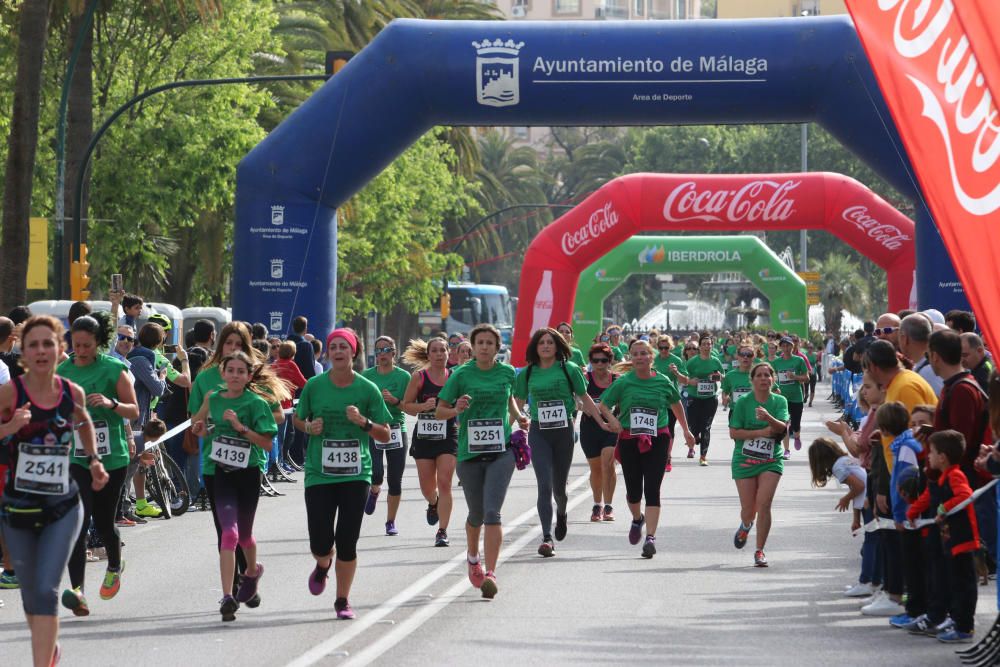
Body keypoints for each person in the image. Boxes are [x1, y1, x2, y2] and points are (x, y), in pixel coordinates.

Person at [0, 316, 109, 667]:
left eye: (49, 343)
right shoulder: (9, 392)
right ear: (23, 352)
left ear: (60, 349)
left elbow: (83, 421)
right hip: (18, 507)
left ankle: (40, 660)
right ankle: (49, 649)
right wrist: (10, 426)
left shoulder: (70, 392)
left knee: (46, 591)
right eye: (33, 344)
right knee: (32, 592)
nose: (42, 350)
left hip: (63, 505)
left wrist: (93, 460)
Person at [294, 328, 393, 619]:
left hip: (356, 474)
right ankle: (323, 564)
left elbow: (385, 434)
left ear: (354, 352)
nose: (338, 351)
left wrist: (364, 422)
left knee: (347, 541)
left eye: (344, 347)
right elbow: (299, 420)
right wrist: (309, 428)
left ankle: (342, 600)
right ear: (327, 352)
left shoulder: (367, 389)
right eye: (333, 347)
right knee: (320, 544)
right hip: (319, 474)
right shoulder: (314, 385)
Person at [437, 324, 528, 598]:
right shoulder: (461, 375)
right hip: (469, 454)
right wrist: (456, 409)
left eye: (490, 343)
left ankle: (491, 572)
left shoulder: (507, 373)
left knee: (492, 512)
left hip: (501, 451)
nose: (485, 347)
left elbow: (510, 398)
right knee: (476, 514)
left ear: (497, 347)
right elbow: (440, 412)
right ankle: (473, 556)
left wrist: (519, 416)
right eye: (481, 343)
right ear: (473, 348)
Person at [56, 314, 139, 615]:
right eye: (76, 345)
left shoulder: (115, 368)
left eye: (87, 345)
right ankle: (78, 591)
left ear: (98, 343)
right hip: (77, 458)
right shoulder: (63, 371)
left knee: (104, 522)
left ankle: (115, 564)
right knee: (77, 524)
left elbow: (134, 411)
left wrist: (110, 403)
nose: (81, 350)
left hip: (112, 458)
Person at [191, 352, 283, 621]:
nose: (234, 375)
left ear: (248, 375)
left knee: (244, 536)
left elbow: (266, 443)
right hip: (221, 472)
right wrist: (201, 428)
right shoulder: (214, 399)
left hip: (248, 474)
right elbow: (203, 428)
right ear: (222, 373)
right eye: (230, 370)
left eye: (240, 371)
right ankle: (227, 596)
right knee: (228, 535)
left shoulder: (256, 403)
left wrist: (239, 427)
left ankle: (252, 572)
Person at [514, 327, 608, 557]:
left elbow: (584, 398)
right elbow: (517, 400)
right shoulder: (527, 373)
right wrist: (509, 424)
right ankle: (547, 537)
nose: (546, 346)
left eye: (550, 342)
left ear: (557, 346)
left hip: (564, 431)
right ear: (535, 347)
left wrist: (602, 422)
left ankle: (562, 513)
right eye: (541, 343)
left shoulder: (570, 369)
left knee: (559, 488)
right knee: (544, 485)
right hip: (539, 432)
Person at [598, 339, 695, 559]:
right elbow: (603, 405)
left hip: (658, 438)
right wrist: (613, 421)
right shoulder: (624, 382)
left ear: (651, 357)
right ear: (631, 358)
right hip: (629, 439)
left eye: (644, 353)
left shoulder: (662, 381)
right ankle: (636, 519)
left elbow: (676, 404)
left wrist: (687, 431)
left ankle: (650, 538)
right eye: (635, 354)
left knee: (653, 488)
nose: (640, 357)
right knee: (634, 491)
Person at [907, 430, 980, 643]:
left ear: (942, 457)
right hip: (951, 539)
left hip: (963, 539)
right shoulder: (942, 478)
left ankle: (964, 627)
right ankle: (956, 619)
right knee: (953, 581)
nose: (928, 456)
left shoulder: (956, 475)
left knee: (963, 584)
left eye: (931, 452)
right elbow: (930, 497)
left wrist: (944, 508)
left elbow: (965, 496)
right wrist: (913, 512)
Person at [728, 361, 789, 567]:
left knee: (764, 504)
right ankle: (746, 525)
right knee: (749, 509)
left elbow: (782, 428)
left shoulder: (779, 401)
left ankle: (760, 550)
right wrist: (761, 432)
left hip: (770, 460)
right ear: (752, 380)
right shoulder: (743, 402)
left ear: (773, 379)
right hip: (744, 459)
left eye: (767, 375)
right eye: (759, 375)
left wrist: (768, 417)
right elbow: (734, 432)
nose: (764, 378)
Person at [402, 338, 458, 547]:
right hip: (425, 437)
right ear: (429, 355)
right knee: (428, 487)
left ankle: (442, 531)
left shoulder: (455, 376)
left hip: (448, 435)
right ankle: (433, 502)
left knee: (444, 482)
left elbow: (464, 401)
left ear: (448, 353)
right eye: (434, 351)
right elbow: (406, 406)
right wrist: (424, 406)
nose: (439, 354)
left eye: (443, 350)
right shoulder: (419, 377)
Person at [361, 336, 412, 535]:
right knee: (376, 473)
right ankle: (374, 491)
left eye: (386, 350)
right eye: (378, 350)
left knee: (395, 479)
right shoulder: (366, 375)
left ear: (394, 353)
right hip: (374, 428)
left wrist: (395, 400)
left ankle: (390, 521)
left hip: (396, 429)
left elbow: (409, 407)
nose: (382, 354)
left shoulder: (403, 377)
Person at [580, 343, 619, 522]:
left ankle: (609, 506)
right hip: (589, 428)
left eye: (603, 360)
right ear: (591, 362)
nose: (599, 364)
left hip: (611, 428)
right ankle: (597, 505)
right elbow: (576, 401)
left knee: (608, 463)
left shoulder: (617, 380)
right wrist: (586, 407)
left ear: (609, 361)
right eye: (595, 361)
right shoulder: (585, 379)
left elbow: (625, 401)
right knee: (595, 468)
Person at [679, 334, 725, 466]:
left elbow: (722, 377)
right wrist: (690, 381)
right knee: (693, 426)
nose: (706, 346)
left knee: (706, 427)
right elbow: (682, 379)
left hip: (710, 398)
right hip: (694, 398)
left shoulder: (715, 361)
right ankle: (693, 443)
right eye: (704, 344)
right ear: (700, 346)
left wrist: (715, 377)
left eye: (709, 344)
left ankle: (703, 456)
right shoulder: (692, 362)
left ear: (712, 346)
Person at [808, 437, 867, 533]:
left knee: (872, 539)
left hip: (869, 502)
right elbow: (856, 490)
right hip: (872, 497)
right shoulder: (846, 460)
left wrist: (845, 499)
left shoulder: (838, 467)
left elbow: (860, 486)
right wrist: (856, 519)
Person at [772, 336, 809, 456]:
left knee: (795, 425)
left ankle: (797, 436)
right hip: (782, 398)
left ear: (792, 346)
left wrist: (795, 377)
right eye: (783, 346)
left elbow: (807, 378)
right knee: (784, 424)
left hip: (796, 397)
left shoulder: (799, 360)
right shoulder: (776, 362)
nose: (786, 348)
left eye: (788, 345)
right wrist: (774, 388)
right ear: (780, 348)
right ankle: (786, 450)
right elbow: (772, 378)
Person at [721, 342, 755, 409]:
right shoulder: (730, 375)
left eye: (749, 355)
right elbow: (725, 391)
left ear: (753, 357)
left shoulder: (760, 373)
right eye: (742, 355)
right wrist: (725, 398)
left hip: (755, 413)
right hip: (735, 412)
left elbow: (775, 391)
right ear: (738, 356)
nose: (745, 357)